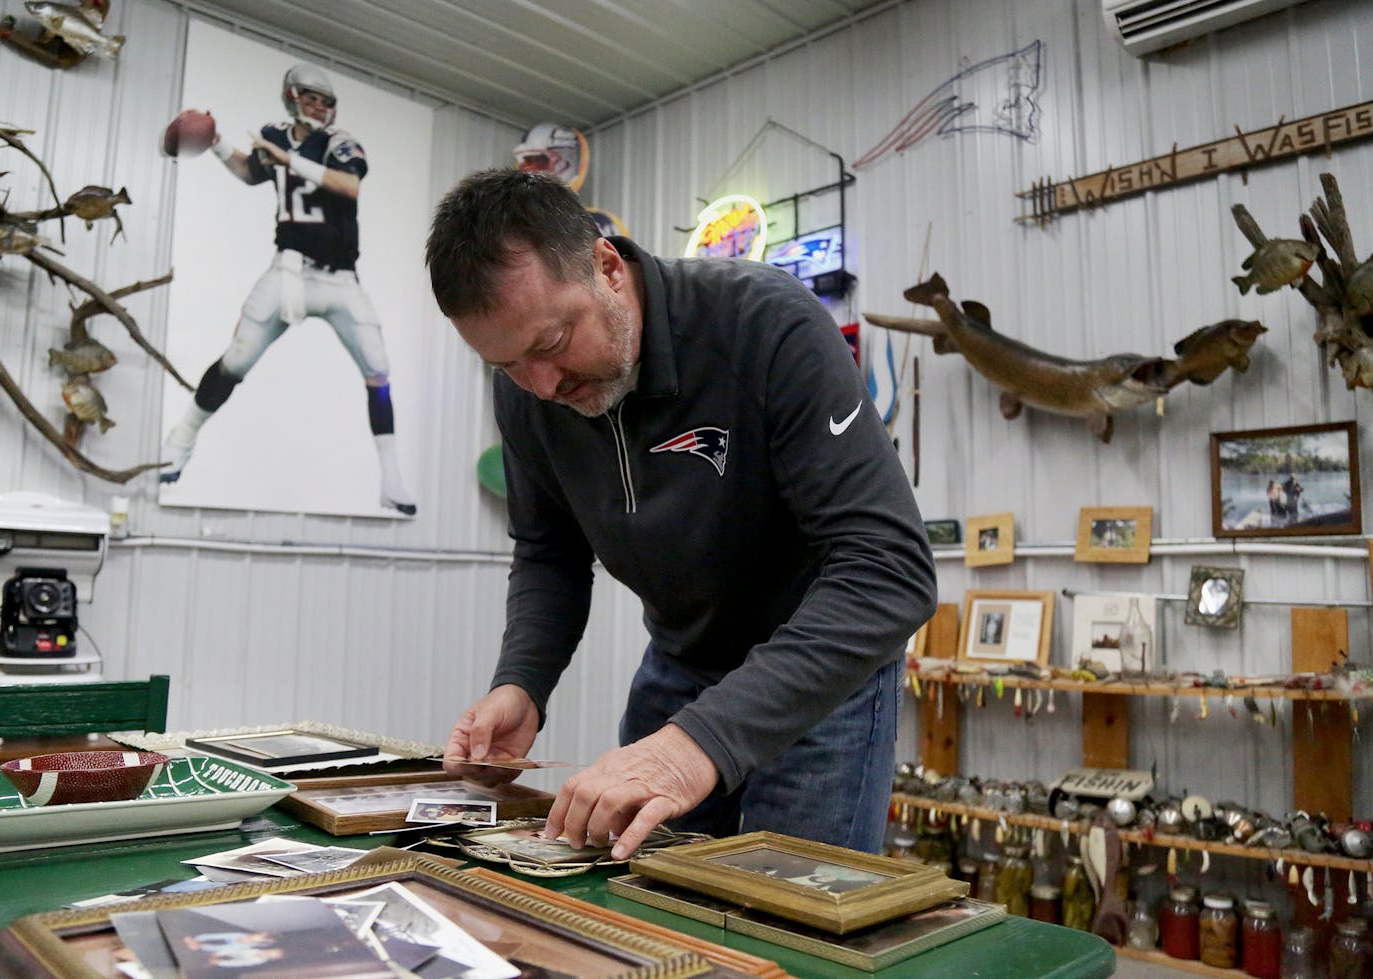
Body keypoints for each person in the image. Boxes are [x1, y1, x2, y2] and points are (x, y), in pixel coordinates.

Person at [425, 169, 936, 860]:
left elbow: (890, 570)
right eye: (508, 364)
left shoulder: (763, 324)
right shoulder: (527, 391)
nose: (541, 386)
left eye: (549, 345)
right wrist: (523, 681)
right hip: (682, 663)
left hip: (819, 674)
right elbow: (550, 550)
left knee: (788, 926)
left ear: (606, 266)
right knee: (645, 902)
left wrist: (695, 745)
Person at [159, 63, 416, 515]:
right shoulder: (273, 135)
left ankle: (391, 478)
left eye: (326, 101)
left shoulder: (339, 143)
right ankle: (182, 438)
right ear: (292, 96)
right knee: (235, 361)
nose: (319, 106)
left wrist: (289, 160)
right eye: (311, 98)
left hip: (339, 279)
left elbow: (348, 185)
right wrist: (218, 144)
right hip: (288, 272)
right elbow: (253, 173)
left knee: (378, 372)